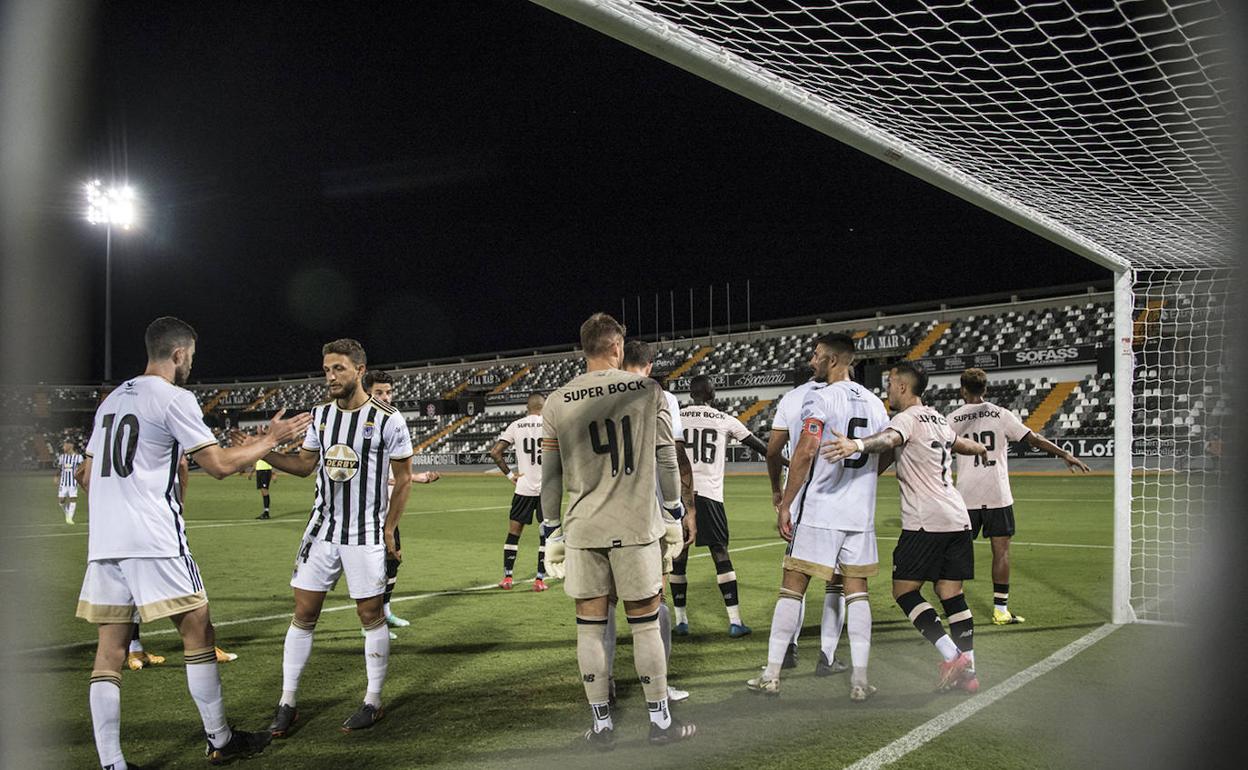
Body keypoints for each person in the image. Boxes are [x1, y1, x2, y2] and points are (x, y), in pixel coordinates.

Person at [75, 316, 310, 768]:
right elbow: (220, 465)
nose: (190, 365)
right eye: (191, 357)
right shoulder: (173, 397)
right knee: (198, 628)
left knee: (110, 651)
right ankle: (220, 739)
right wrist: (270, 439)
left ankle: (111, 764)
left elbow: (86, 476)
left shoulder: (110, 402)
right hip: (154, 539)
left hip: (104, 542)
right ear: (179, 354)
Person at [540, 313, 695, 748]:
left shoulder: (557, 400)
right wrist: (674, 510)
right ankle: (660, 724)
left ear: (584, 348)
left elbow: (549, 476)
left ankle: (602, 727)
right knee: (645, 625)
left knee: (589, 628)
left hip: (583, 528)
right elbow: (666, 460)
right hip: (636, 524)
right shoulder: (649, 391)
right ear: (617, 348)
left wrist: (551, 530)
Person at [257, 340, 414, 737]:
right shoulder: (320, 416)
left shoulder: (388, 419)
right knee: (304, 613)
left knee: (370, 615)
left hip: (363, 534)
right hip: (322, 531)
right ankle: (287, 702)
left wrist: (390, 528)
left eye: (339, 369)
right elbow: (304, 465)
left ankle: (373, 701)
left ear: (359, 370)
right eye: (327, 369)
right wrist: (262, 452)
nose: (330, 376)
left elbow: (405, 478)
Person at [822, 361, 988, 694]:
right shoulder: (938, 418)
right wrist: (981, 447)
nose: (887, 391)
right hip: (957, 518)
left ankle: (953, 656)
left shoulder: (905, 419)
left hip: (925, 522)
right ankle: (969, 673)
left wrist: (855, 445)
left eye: (889, 385)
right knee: (951, 594)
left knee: (904, 591)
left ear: (902, 387)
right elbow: (960, 444)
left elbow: (888, 438)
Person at [748, 334, 889, 700]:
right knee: (857, 593)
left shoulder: (819, 397)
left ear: (832, 360)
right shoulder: (876, 402)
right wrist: (863, 480)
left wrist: (786, 502)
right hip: (859, 515)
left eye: (816, 355)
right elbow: (888, 448)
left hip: (820, 511)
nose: (812, 361)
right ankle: (860, 681)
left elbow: (806, 451)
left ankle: (772, 675)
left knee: (791, 588)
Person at [947, 368, 1090, 624]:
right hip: (997, 494)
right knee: (1001, 553)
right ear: (985, 389)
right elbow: (1033, 439)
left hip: (965, 495)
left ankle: (956, 609)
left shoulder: (952, 419)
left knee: (958, 552)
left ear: (962, 390)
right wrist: (1064, 454)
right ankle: (1001, 611)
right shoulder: (1001, 415)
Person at [609, 339, 697, 703]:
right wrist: (684, 508)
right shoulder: (660, 395)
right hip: (649, 510)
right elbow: (673, 454)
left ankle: (605, 684)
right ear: (649, 364)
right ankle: (658, 687)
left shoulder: (593, 392)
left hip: (603, 508)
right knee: (653, 599)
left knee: (605, 603)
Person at [765, 362, 848, 676]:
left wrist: (779, 493)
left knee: (793, 583)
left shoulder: (791, 399)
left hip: (802, 499)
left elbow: (773, 451)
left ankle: (787, 649)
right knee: (836, 582)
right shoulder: (848, 396)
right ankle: (827, 657)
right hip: (840, 501)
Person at [674, 374, 770, 637]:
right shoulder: (724, 420)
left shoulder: (676, 417)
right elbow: (760, 446)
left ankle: (681, 621)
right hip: (711, 495)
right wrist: (784, 463)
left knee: (678, 556)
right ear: (712, 395)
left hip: (680, 495)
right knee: (720, 553)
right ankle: (735, 621)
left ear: (691, 394)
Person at [364, 369, 439, 634]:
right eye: (379, 393)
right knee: (372, 569)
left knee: (393, 560)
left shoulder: (390, 425)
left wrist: (415, 478)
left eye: (388, 392)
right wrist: (415, 478)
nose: (385, 397)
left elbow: (392, 476)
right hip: (367, 515)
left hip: (388, 513)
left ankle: (384, 613)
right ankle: (370, 623)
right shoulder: (363, 427)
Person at [488, 393, 550, 592]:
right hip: (546, 490)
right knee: (545, 536)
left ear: (527, 407)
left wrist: (510, 476)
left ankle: (507, 578)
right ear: (544, 406)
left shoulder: (516, 425)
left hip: (523, 487)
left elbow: (495, 452)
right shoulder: (551, 424)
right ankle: (539, 580)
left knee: (514, 534)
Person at [57, 440, 84, 524]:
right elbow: (60, 468)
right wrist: (56, 476)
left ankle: (70, 518)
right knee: (61, 500)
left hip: (73, 482)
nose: (63, 447)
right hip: (63, 482)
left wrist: (80, 479)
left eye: (65, 445)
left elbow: (82, 468)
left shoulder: (78, 457)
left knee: (73, 499)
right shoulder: (62, 457)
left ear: (70, 446)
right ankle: (67, 514)